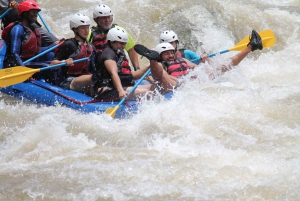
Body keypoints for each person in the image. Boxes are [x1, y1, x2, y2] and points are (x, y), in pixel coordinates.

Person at [134, 30, 263, 95]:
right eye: (166, 52)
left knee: (222, 66)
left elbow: (199, 68)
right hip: (175, 84)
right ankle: (151, 58)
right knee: (162, 72)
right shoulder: (160, 64)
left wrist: (205, 61)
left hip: (189, 81)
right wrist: (151, 79)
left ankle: (251, 47)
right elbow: (140, 75)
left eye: (171, 51)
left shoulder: (183, 58)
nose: (170, 53)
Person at [93, 27, 154, 101]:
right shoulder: (108, 53)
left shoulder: (120, 53)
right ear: (112, 42)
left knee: (155, 88)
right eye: (121, 43)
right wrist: (120, 91)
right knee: (147, 93)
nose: (124, 46)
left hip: (124, 86)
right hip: (107, 90)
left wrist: (151, 65)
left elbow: (130, 75)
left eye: (124, 44)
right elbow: (113, 73)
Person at [50, 13, 95, 95]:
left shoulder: (91, 46)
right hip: (69, 81)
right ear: (75, 29)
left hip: (85, 78)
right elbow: (52, 64)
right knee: (93, 78)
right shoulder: (69, 44)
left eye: (87, 27)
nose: (86, 30)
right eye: (83, 28)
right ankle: (94, 98)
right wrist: (64, 62)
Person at [2, 0, 55, 68]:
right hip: (16, 65)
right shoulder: (17, 29)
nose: (36, 15)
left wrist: (57, 45)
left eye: (36, 12)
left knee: (51, 56)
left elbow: (37, 50)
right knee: (50, 66)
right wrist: (24, 70)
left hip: (29, 62)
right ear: (25, 14)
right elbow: (14, 54)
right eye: (33, 12)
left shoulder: (33, 29)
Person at [87, 4, 140, 71]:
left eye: (109, 17)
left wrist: (137, 68)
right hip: (100, 70)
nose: (107, 20)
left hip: (118, 67)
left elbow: (131, 49)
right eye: (103, 18)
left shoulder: (120, 30)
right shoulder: (89, 34)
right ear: (96, 20)